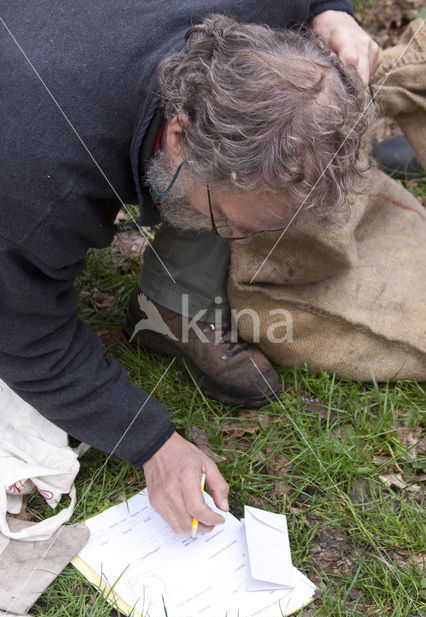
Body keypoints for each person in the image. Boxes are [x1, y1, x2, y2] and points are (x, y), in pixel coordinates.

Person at [0, 1, 381, 535]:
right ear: (178, 135)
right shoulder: (36, 180)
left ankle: (180, 282)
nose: (239, 243)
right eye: (225, 219)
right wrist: (152, 443)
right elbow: (24, 333)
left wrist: (329, 11)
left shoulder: (263, 9)